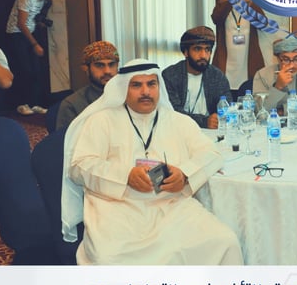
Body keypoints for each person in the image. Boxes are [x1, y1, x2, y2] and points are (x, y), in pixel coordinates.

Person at [62, 59, 244, 265]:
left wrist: (185, 174)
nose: (145, 92)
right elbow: (79, 166)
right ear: (123, 88)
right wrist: (125, 176)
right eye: (136, 85)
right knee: (108, 258)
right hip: (118, 209)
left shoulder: (179, 121)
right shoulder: (102, 121)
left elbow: (212, 154)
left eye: (151, 84)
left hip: (172, 207)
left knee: (225, 242)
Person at [211, 0, 287, 89]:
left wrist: (250, 3)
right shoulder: (223, 7)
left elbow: (263, 24)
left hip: (248, 62)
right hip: (226, 62)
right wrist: (230, 1)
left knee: (248, 90)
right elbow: (216, 18)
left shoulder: (251, 8)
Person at [5, 0, 61, 116]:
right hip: (17, 35)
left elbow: (33, 18)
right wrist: (35, 44)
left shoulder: (43, 1)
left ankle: (34, 103)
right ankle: (22, 104)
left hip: (30, 33)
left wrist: (41, 23)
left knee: (37, 70)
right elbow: (21, 24)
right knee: (25, 70)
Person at [162, 26, 232, 129]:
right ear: (186, 52)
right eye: (197, 49)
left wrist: (219, 118)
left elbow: (227, 105)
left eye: (207, 49)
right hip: (179, 130)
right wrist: (203, 122)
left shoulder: (217, 76)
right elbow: (172, 111)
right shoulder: (170, 75)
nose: (203, 55)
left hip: (211, 131)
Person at [55, 40, 119, 131]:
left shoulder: (129, 96)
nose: (107, 71)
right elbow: (66, 139)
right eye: (99, 65)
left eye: (112, 64)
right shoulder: (72, 105)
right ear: (86, 68)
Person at [251, 36, 297, 114]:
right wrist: (278, 87)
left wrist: (281, 111)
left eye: (296, 59)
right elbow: (259, 111)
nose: (291, 65)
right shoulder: (262, 74)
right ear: (277, 59)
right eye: (286, 59)